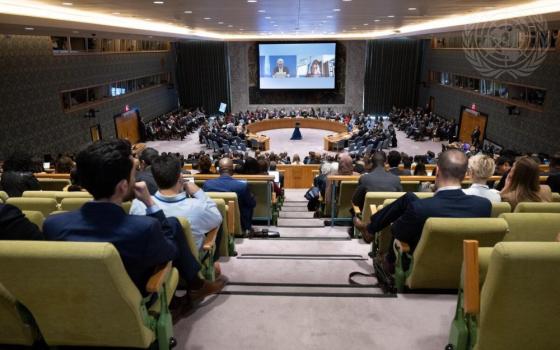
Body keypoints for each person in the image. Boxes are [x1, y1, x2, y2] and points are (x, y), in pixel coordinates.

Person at [43, 140, 224, 308]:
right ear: (123, 186)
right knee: (172, 225)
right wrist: (151, 205)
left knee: (172, 222)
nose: (137, 179)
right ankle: (196, 287)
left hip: (79, 301)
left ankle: (198, 285)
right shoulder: (144, 228)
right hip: (133, 302)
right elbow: (172, 251)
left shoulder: (53, 224)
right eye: (134, 174)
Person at [354, 150, 492, 271]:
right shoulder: (484, 206)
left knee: (407, 212)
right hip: (463, 266)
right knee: (408, 198)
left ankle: (371, 230)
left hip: (424, 265)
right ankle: (369, 228)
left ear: (437, 171)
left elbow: (396, 231)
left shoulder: (420, 209)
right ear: (465, 175)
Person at [130, 154, 223, 251]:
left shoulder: (138, 205)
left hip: (154, 262)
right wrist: (198, 192)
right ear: (180, 176)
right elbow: (218, 218)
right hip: (191, 261)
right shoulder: (198, 206)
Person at [203, 158, 256, 234]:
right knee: (249, 202)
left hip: (214, 224)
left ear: (218, 170)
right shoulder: (242, 186)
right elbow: (252, 204)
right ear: (232, 170)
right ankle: (246, 228)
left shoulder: (207, 184)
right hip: (237, 225)